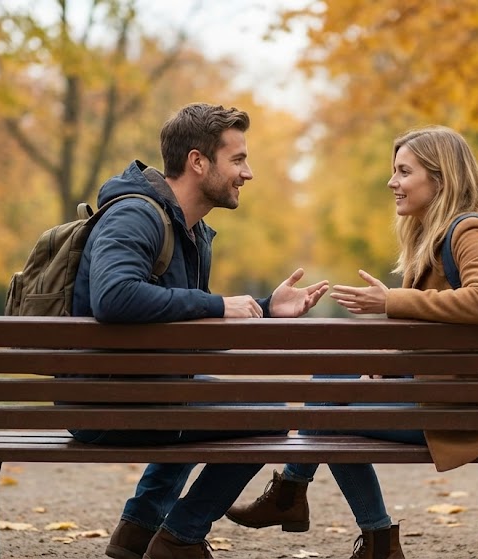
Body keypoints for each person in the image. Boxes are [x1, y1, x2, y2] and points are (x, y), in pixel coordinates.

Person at [225, 125, 478, 559]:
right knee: (329, 377)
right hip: (448, 394)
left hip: (465, 410)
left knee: (332, 414)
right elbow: (447, 330)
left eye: (404, 172)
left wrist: (392, 301)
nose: (392, 182)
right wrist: (393, 359)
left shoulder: (469, 231)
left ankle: (308, 502)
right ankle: (312, 505)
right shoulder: (434, 236)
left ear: (439, 179)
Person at [70, 103, 329, 559]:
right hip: (108, 404)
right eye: (238, 159)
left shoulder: (190, 230)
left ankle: (138, 529)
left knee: (202, 392)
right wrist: (218, 305)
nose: (247, 173)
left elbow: (182, 320)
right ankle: (180, 538)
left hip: (143, 393)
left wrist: (266, 309)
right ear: (197, 162)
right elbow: (113, 297)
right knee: (265, 416)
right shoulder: (136, 215)